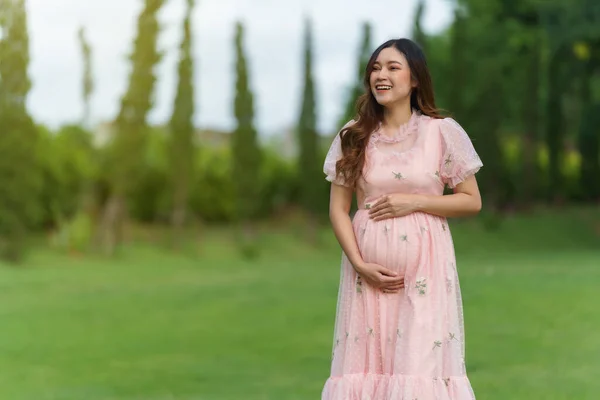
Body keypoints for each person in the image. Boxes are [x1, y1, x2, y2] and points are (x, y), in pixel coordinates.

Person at [321, 38, 483, 400]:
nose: (381, 74)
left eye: (393, 67)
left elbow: (471, 201)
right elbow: (338, 209)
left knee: (418, 366)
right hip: (367, 277)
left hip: (426, 271)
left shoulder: (441, 132)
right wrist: (359, 264)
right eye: (376, 68)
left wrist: (413, 202)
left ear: (414, 80)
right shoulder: (354, 135)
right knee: (367, 367)